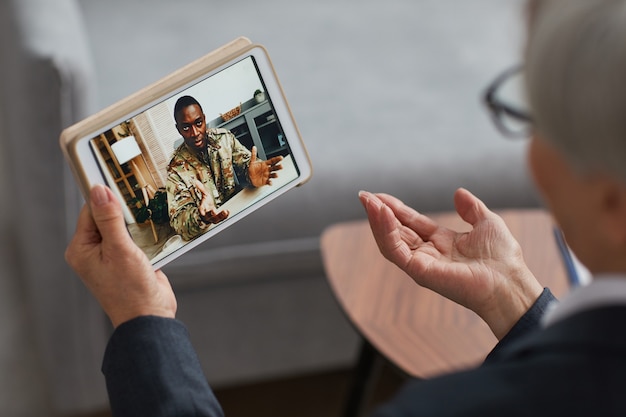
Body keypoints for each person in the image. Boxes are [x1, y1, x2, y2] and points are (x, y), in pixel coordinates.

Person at [64, 0, 626, 415]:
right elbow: (191, 208)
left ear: (611, 203)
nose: (194, 130)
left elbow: (249, 160)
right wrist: (518, 302)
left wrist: (143, 321)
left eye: (532, 117)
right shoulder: (186, 163)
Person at [166, 95, 283, 241]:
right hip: (212, 234)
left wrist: (250, 173)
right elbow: (179, 221)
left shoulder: (224, 138)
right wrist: (201, 216)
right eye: (186, 127)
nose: (195, 133)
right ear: (179, 130)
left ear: (204, 119)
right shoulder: (175, 170)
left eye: (198, 123)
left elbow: (247, 163)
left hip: (239, 214)